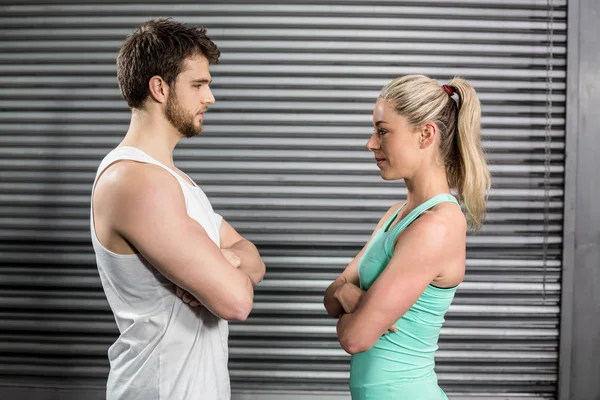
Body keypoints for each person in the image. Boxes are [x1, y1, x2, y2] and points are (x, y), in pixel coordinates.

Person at [90, 18, 265, 400]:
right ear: (159, 88)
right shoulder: (136, 182)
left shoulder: (175, 181)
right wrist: (227, 265)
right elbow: (236, 301)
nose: (210, 98)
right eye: (199, 85)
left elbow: (255, 260)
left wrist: (227, 260)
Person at [323, 74, 491, 399]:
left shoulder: (436, 225)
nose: (370, 143)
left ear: (425, 134)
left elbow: (354, 339)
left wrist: (354, 305)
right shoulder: (397, 214)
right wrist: (347, 296)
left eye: (383, 131)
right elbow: (331, 296)